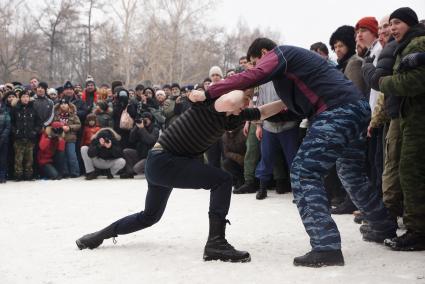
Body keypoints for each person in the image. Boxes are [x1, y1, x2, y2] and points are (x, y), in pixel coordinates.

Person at [189, 37, 397, 267]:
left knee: (304, 172)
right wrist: (251, 116)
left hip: (337, 111)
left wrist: (210, 92)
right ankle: (382, 226)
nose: (255, 68)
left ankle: (326, 247)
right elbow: (294, 111)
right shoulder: (291, 74)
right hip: (354, 110)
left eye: (255, 61)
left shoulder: (282, 54)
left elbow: (254, 76)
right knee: (350, 171)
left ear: (265, 52)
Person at [75, 90, 285, 263]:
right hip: (164, 161)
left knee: (150, 216)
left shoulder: (232, 117)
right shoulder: (210, 106)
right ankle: (216, 243)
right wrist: (244, 86)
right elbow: (232, 99)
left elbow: (262, 112)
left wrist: (287, 100)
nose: (245, 104)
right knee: (222, 180)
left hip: (161, 162)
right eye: (244, 100)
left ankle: (96, 237)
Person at [379, 7, 425, 251]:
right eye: (391, 23)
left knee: (411, 173)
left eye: (397, 22)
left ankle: (417, 231)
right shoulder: (407, 44)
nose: (392, 27)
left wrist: (382, 81)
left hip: (418, 120)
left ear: (410, 23)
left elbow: (414, 82)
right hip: (411, 118)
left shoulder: (417, 43)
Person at [11, 89, 40, 181]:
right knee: (18, 158)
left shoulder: (33, 109)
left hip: (30, 138)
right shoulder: (15, 109)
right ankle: (18, 175)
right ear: (20, 98)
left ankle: (29, 175)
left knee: (29, 158)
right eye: (23, 97)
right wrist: (15, 132)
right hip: (18, 138)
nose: (25, 98)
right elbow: (11, 123)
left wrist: (34, 131)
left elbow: (39, 123)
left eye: (27, 96)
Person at [121, 112, 159, 178]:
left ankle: (134, 171)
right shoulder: (139, 127)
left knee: (136, 168)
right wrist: (136, 127)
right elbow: (131, 139)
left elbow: (150, 140)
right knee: (126, 151)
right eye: (143, 119)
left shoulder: (155, 129)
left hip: (148, 157)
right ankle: (130, 172)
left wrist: (142, 128)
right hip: (140, 153)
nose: (144, 121)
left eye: (146, 119)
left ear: (150, 120)